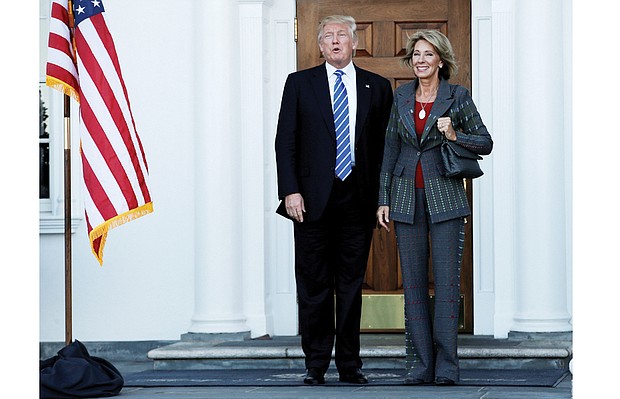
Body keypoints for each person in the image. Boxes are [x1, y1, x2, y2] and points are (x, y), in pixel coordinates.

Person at [275, 15, 393, 385]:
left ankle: (349, 365)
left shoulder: (378, 86)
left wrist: (382, 197)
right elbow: (286, 141)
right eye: (328, 37)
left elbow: (386, 149)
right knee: (314, 285)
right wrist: (289, 190)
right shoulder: (299, 83)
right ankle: (315, 364)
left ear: (355, 42)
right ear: (320, 46)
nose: (336, 41)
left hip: (358, 200)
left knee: (351, 286)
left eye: (342, 35)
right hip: (309, 202)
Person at [376, 30, 493, 386]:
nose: (421, 61)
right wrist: (383, 198)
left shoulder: (457, 97)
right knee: (412, 285)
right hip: (406, 199)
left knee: (445, 285)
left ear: (441, 60)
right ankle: (419, 366)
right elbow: (390, 150)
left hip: (446, 200)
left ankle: (446, 367)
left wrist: (455, 134)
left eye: (428, 55)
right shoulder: (401, 97)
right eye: (416, 55)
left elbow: (485, 143)